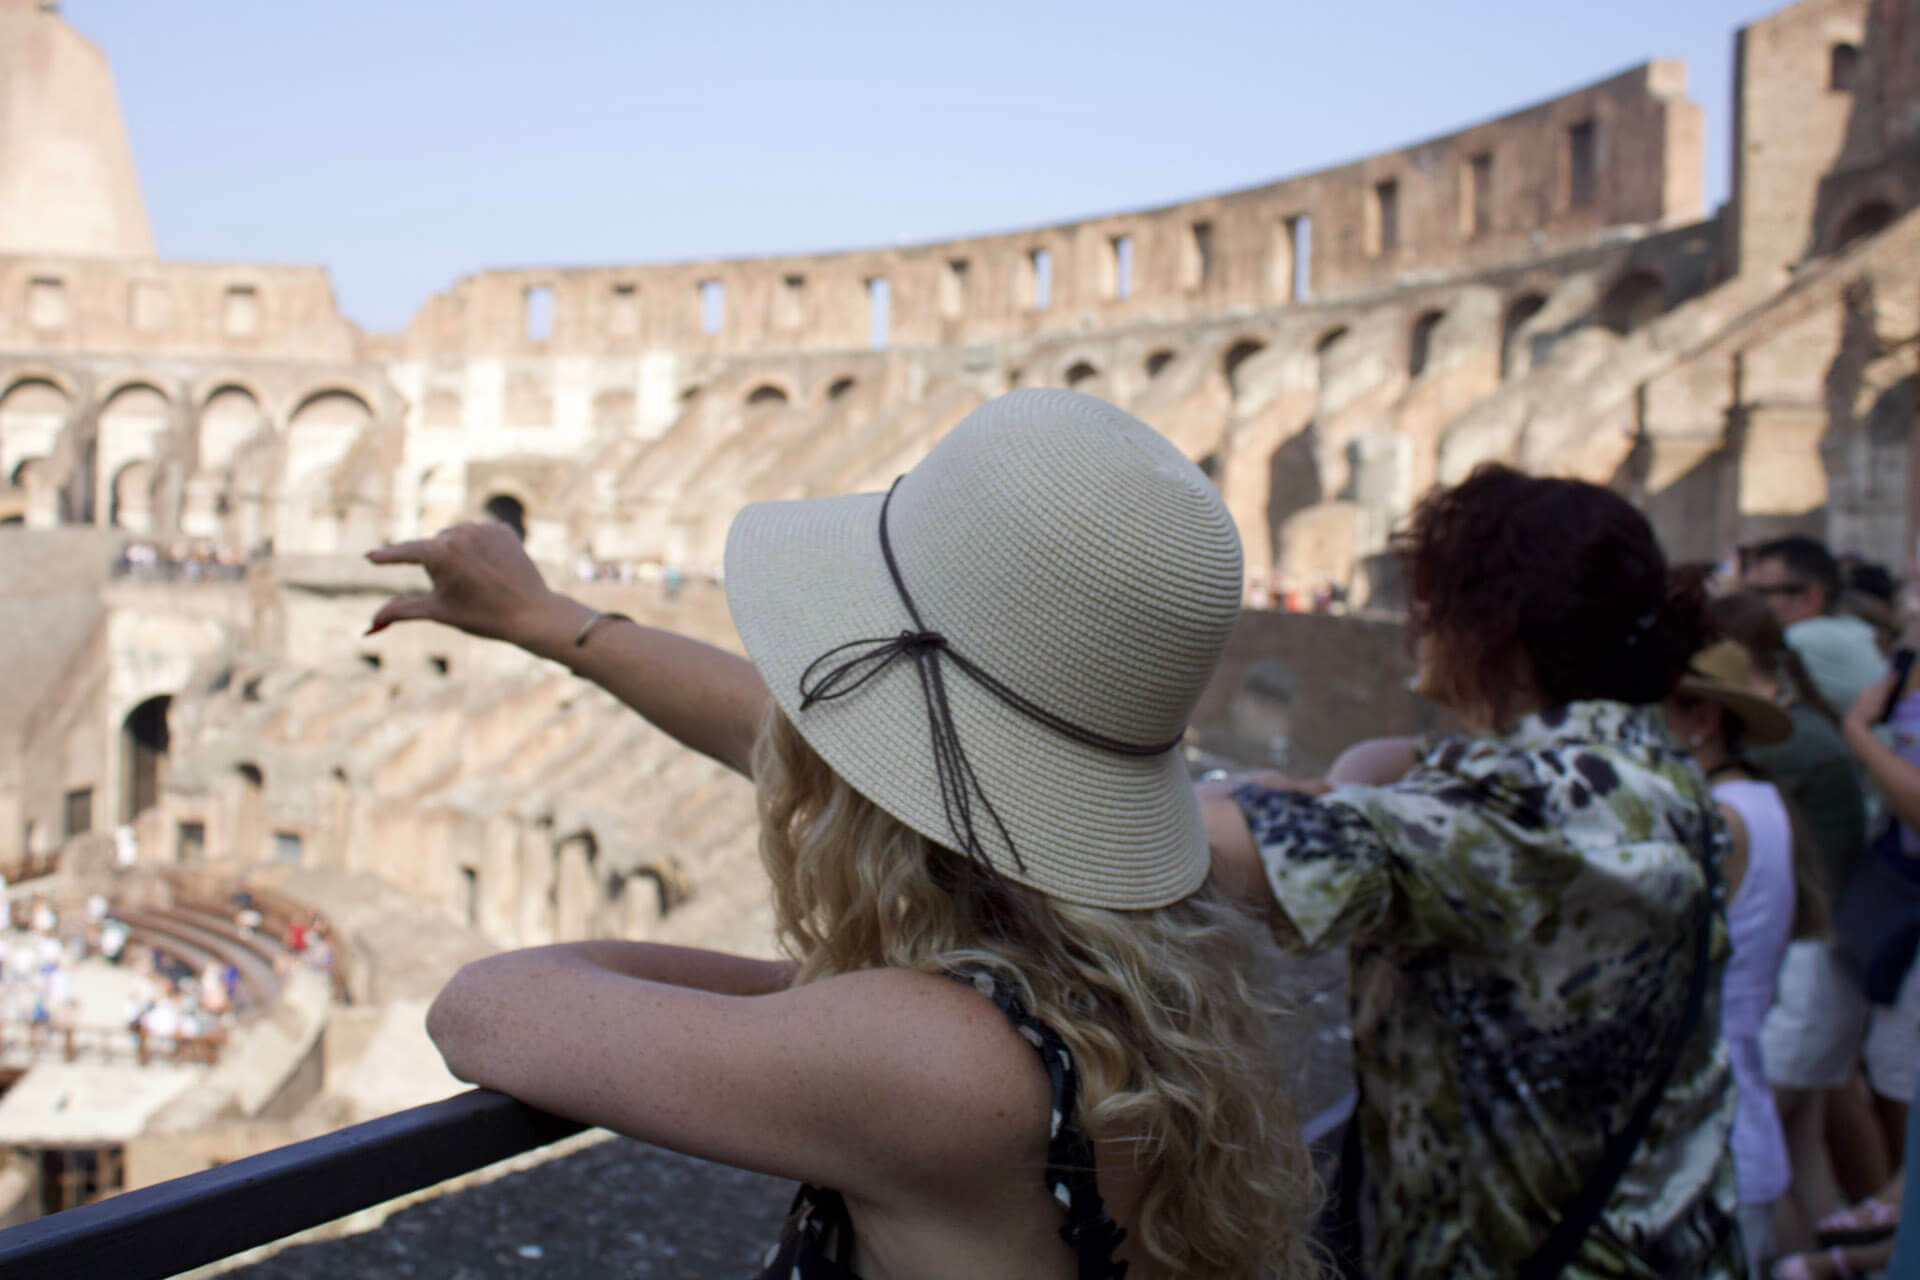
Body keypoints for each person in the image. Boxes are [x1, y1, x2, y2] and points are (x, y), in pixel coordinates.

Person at [370, 389, 1319, 1278]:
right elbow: (791, 735)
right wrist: (548, 620)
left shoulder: (933, 1061)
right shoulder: (1163, 957)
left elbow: (487, 1009)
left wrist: (799, 995)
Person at [1202, 464, 1742, 1277]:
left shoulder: (1542, 811)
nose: (1417, 617)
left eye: (1436, 593)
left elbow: (1241, 848)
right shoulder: (1639, 770)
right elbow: (1404, 809)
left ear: (1502, 624)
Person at [1707, 592, 1877, 1242]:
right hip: (1814, 959)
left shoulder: (1773, 759)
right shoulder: (1794, 734)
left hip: (1809, 967)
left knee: (1759, 1152)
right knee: (1795, 1152)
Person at [1667, 638, 1830, 1277]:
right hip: (1734, 1118)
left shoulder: (1724, 817)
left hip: (1715, 1133)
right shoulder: (1756, 803)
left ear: (1702, 722)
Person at [1745, 536, 1886, 716]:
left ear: (1810, 597)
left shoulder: (1803, 637)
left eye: (1761, 592)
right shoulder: (1852, 629)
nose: (1748, 603)